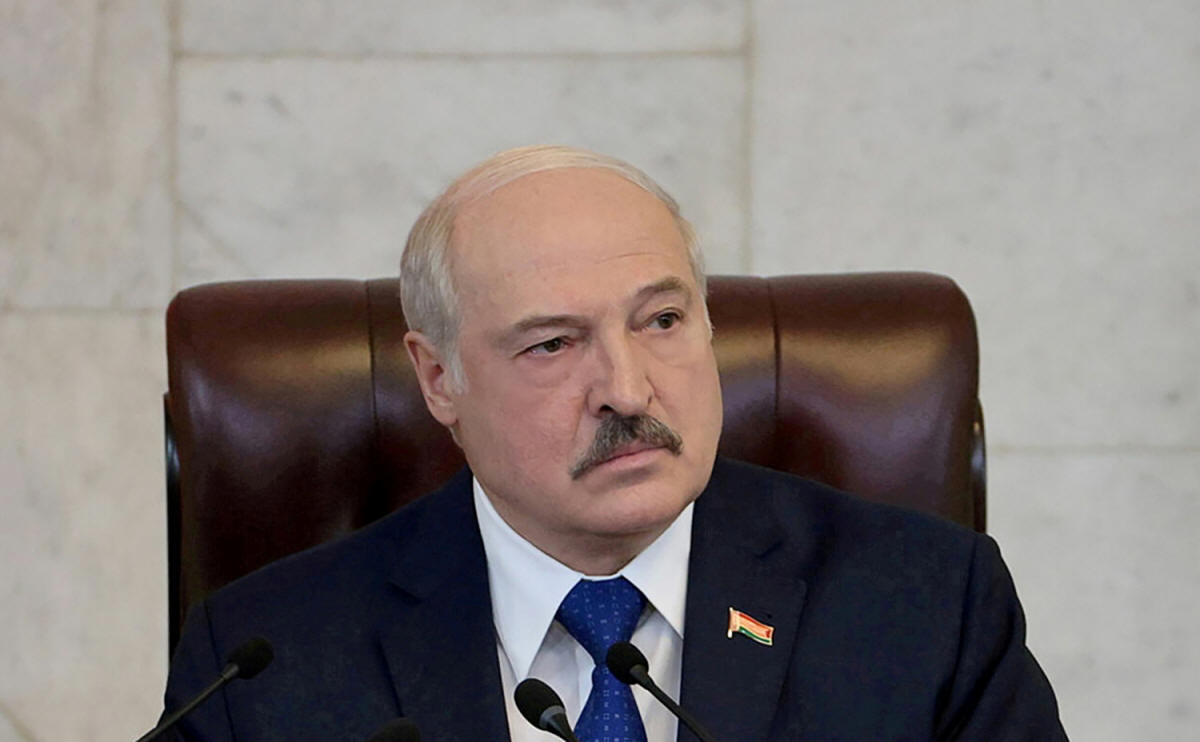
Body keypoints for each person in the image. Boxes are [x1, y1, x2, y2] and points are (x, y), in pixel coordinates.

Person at [160, 146, 1067, 741]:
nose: (628, 391)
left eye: (662, 320)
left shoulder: (927, 610)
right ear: (438, 379)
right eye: (554, 344)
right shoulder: (262, 664)